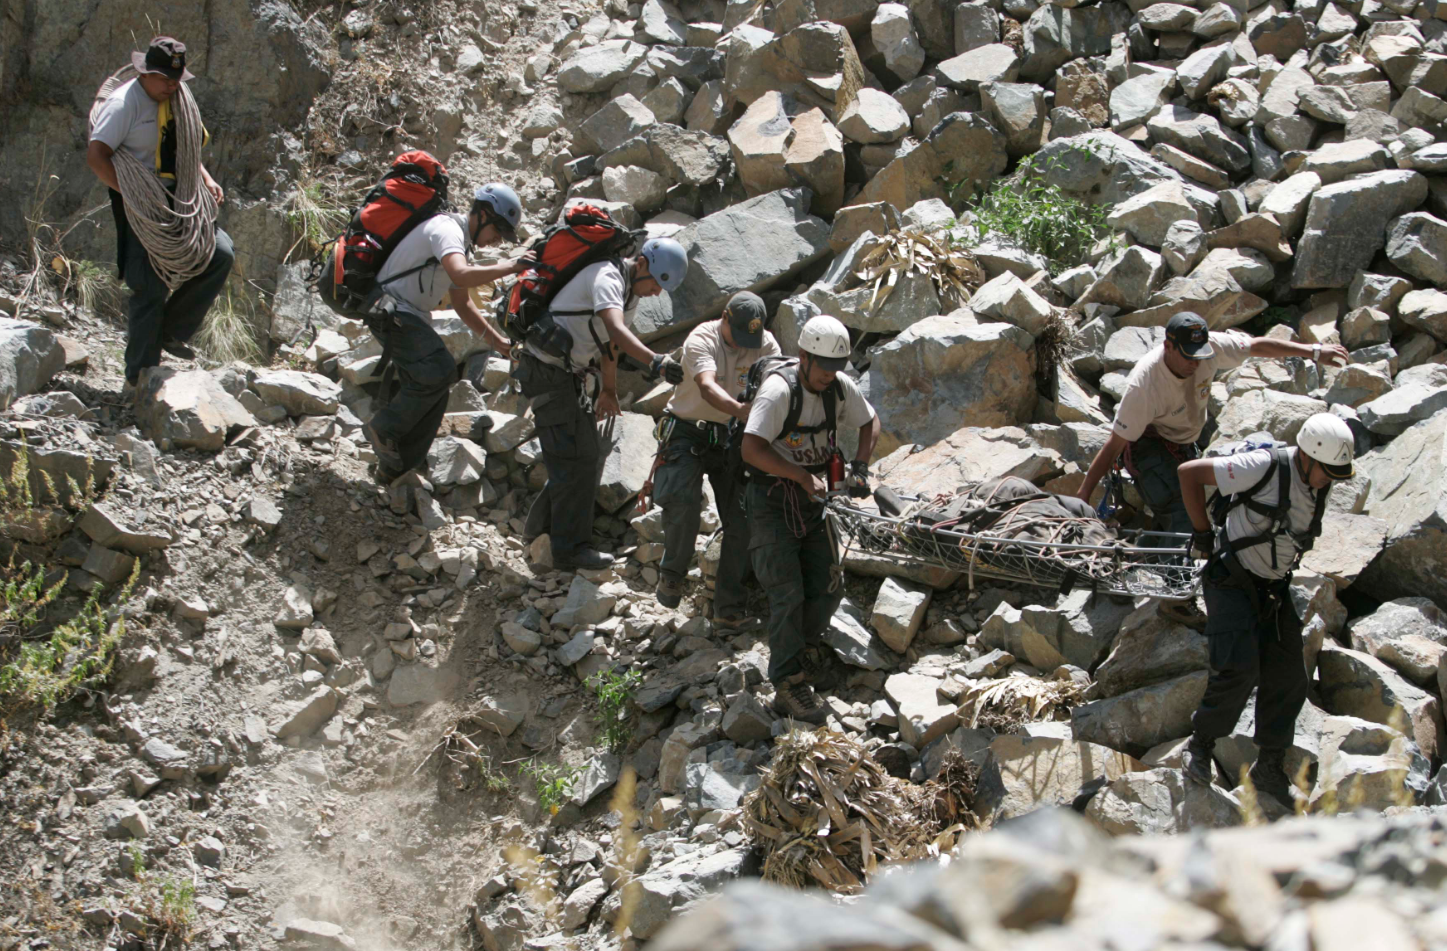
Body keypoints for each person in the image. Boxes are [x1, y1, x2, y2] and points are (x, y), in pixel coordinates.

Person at [1176, 413, 1356, 808]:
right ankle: (1200, 746)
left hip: (1272, 587)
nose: (1329, 481)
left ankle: (1268, 767)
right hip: (1229, 577)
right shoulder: (1263, 466)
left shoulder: (1316, 483)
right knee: (1238, 667)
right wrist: (1202, 532)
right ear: (1307, 455)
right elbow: (1189, 473)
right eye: (1326, 472)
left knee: (1290, 676)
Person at [1076, 312, 1349, 534]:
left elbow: (1256, 346)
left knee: (1207, 503)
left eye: (1199, 354)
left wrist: (1313, 351)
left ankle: (1155, 550)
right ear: (1167, 346)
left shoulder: (1210, 348)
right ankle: (1174, 591)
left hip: (1186, 438)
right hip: (1148, 444)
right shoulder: (1145, 384)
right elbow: (1114, 445)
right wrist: (1082, 498)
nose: (1196, 362)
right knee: (1186, 511)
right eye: (1188, 355)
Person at [518, 237, 690, 572]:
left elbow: (610, 344)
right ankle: (569, 551)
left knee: (581, 453)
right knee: (573, 456)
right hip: (546, 370)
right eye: (656, 282)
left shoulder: (628, 291)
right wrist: (656, 362)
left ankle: (540, 529)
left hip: (566, 374)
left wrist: (608, 391)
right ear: (641, 263)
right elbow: (613, 326)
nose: (656, 292)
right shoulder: (608, 276)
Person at [741, 315, 880, 723]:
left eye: (837, 368)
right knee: (786, 591)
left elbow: (870, 421)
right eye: (823, 367)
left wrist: (861, 466)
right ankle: (787, 682)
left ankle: (799, 651)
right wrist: (801, 475)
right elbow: (751, 449)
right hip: (771, 499)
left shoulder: (839, 388)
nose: (829, 375)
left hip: (813, 499)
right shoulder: (777, 392)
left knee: (827, 585)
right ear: (804, 356)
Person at [87, 36, 234, 387]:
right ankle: (139, 378)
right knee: (148, 286)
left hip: (178, 195)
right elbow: (97, 156)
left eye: (176, 79)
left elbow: (182, 145)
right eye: (164, 79)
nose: (171, 86)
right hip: (137, 202)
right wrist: (136, 198)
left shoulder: (178, 99)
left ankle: (170, 331)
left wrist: (206, 178)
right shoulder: (124, 105)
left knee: (220, 254)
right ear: (145, 74)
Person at [361, 183, 531, 482]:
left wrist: (501, 345)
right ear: (483, 213)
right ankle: (383, 427)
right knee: (439, 369)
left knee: (437, 392)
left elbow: (463, 304)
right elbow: (459, 274)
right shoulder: (446, 229)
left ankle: (396, 470)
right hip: (389, 309)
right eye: (498, 230)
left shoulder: (460, 244)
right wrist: (512, 266)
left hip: (403, 314)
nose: (495, 241)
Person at [652, 292, 781, 618]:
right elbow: (707, 387)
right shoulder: (702, 338)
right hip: (686, 430)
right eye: (737, 337)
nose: (741, 346)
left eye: (748, 339)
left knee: (743, 518)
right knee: (684, 500)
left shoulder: (765, 345)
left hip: (731, 438)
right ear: (724, 317)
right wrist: (741, 410)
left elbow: (779, 384)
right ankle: (672, 575)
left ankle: (729, 607)